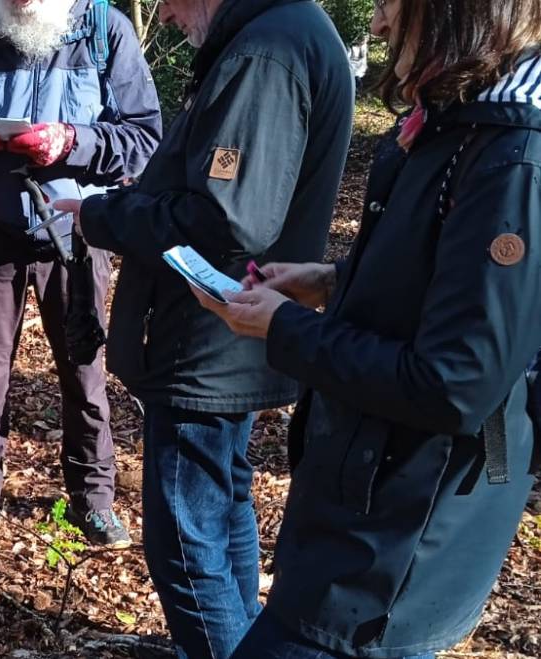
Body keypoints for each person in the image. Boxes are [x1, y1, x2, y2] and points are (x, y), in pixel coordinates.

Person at [192, 0, 541, 656]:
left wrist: (285, 328)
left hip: (395, 551)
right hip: (365, 515)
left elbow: (455, 383)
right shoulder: (458, 121)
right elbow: (443, 279)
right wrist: (328, 281)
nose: (377, 25)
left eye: (389, 6)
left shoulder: (512, 156)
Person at [57, 0, 354, 655]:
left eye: (168, 0)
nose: (162, 16)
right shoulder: (280, 33)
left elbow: (225, 217)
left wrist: (102, 214)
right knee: (222, 502)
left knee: (187, 541)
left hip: (206, 337)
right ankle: (241, 641)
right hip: (229, 332)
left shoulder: (266, 51)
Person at [0, 0, 162, 547]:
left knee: (84, 367)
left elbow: (145, 139)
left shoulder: (105, 32)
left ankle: (95, 498)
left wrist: (73, 142)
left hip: (77, 230)